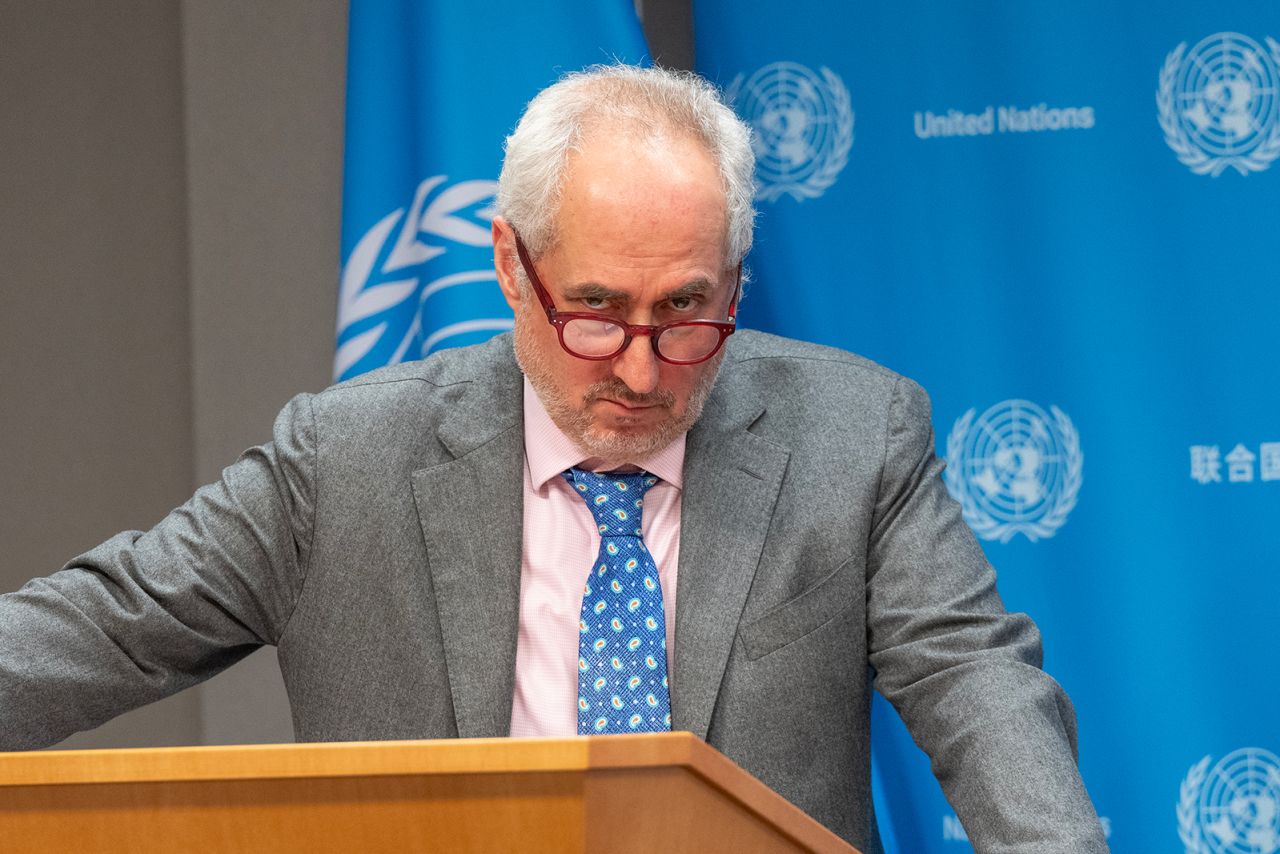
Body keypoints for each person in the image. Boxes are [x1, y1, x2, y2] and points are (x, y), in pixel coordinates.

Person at [0, 65, 1106, 852]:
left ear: (735, 274)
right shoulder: (343, 461)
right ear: (507, 266)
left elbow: (975, 685)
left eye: (685, 309)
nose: (637, 367)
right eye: (592, 310)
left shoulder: (854, 435)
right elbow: (106, 623)